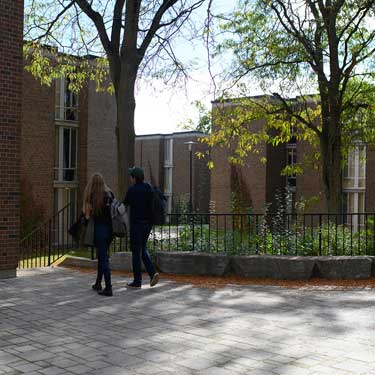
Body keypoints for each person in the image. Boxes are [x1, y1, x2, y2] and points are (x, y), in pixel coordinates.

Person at [123, 167, 159, 288]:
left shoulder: (132, 190)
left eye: (131, 177)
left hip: (137, 224)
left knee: (136, 252)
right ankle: (153, 273)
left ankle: (137, 281)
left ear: (134, 177)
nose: (130, 179)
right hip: (148, 224)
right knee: (143, 248)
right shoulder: (148, 188)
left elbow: (125, 204)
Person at [83, 173, 114, 296]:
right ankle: (98, 283)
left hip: (100, 230)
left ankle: (109, 287)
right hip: (110, 231)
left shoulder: (92, 196)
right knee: (102, 257)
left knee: (103, 258)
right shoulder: (110, 194)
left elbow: (87, 216)